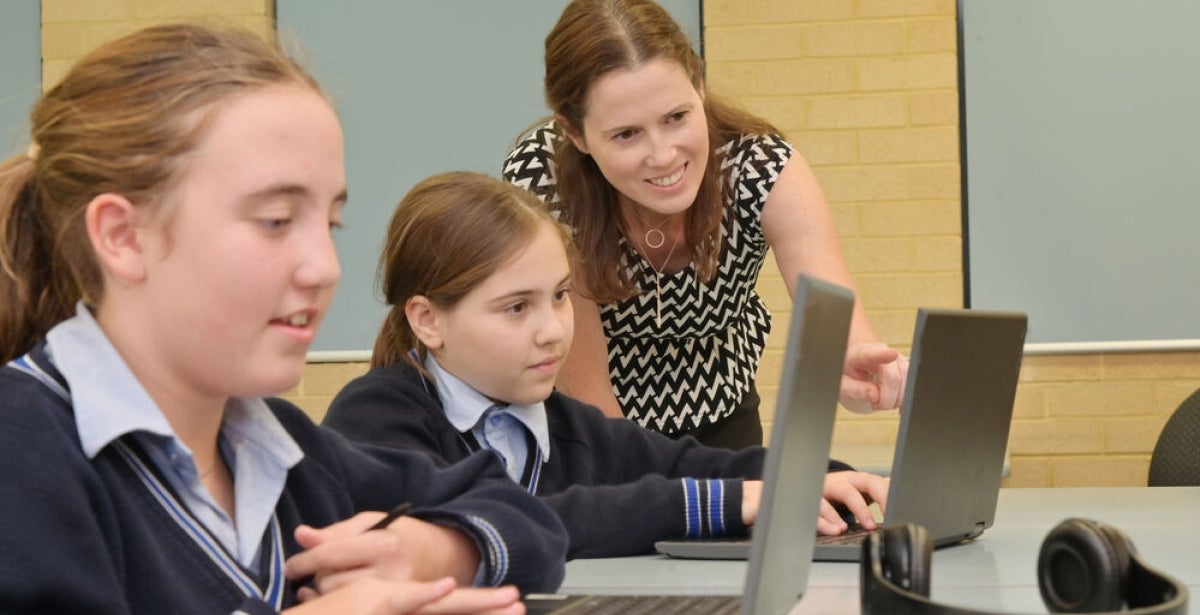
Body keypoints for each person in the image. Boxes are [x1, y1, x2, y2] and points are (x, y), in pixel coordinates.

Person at [0, 23, 567, 614]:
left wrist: (432, 550)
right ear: (122, 237)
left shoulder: (284, 448)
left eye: (331, 224)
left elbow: (525, 518)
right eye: (275, 220)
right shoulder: (23, 448)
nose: (325, 268)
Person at [322, 171, 889, 560]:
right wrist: (720, 503)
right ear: (428, 320)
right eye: (517, 307)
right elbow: (486, 523)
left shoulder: (567, 426)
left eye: (561, 295)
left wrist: (835, 477)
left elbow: (693, 464)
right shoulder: (376, 416)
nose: (553, 329)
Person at [501, 0, 908, 450]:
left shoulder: (760, 167)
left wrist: (852, 363)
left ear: (698, 86)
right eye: (626, 134)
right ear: (576, 134)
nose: (663, 155)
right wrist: (678, 497)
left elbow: (838, 314)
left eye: (676, 117)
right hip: (593, 432)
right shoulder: (544, 178)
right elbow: (591, 395)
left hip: (722, 416)